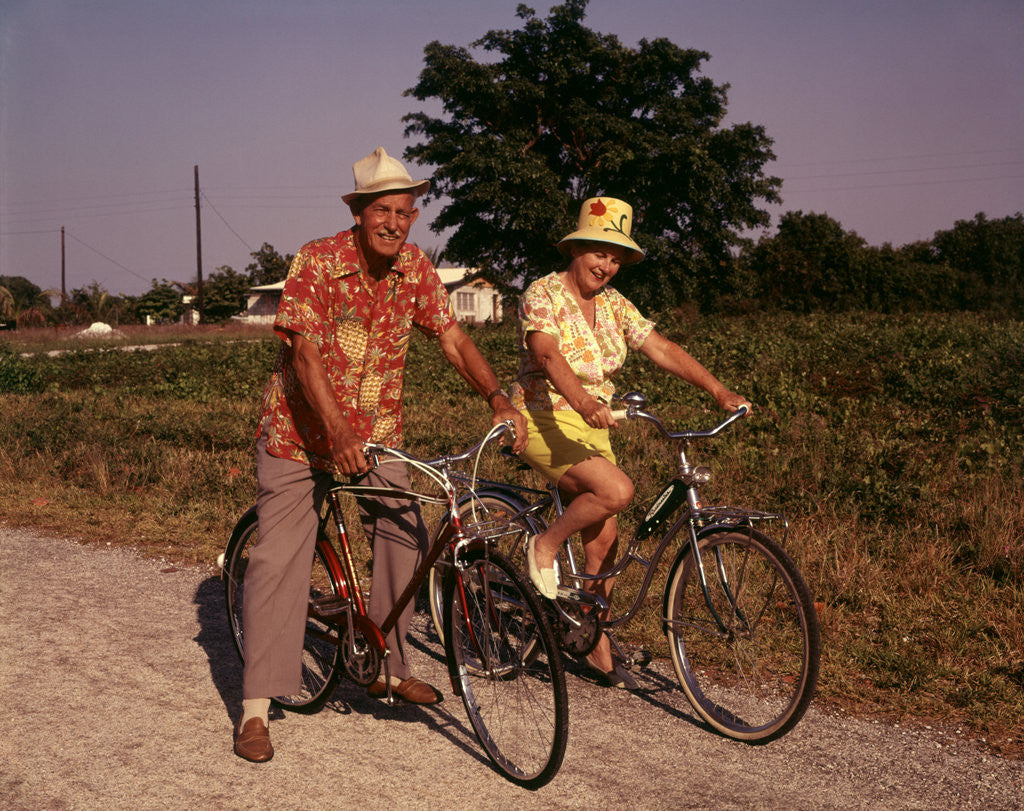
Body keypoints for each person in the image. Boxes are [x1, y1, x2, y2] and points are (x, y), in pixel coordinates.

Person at [233, 147, 527, 763]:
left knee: (404, 531)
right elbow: (306, 355)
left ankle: (384, 666)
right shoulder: (317, 262)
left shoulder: (415, 268)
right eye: (382, 211)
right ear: (359, 213)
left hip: (374, 435)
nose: (394, 222)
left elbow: (451, 337)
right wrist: (336, 431)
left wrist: (497, 396)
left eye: (405, 211)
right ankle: (256, 706)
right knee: (280, 559)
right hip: (300, 436)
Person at [510, 196, 751, 689]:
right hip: (541, 417)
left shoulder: (615, 305)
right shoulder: (542, 293)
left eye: (616, 257)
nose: (607, 265)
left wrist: (718, 390)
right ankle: (545, 544)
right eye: (599, 252)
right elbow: (548, 354)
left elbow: (661, 348)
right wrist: (579, 400)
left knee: (604, 543)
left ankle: (590, 638)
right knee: (616, 491)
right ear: (576, 250)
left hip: (594, 423)